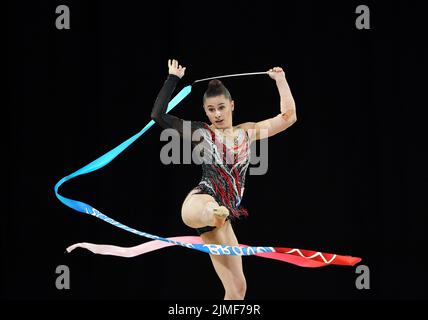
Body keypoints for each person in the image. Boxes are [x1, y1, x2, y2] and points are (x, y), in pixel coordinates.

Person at [151, 59, 297, 300]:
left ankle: (218, 215)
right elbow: (158, 115)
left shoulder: (247, 133)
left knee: (238, 290)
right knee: (210, 208)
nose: (217, 114)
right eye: (211, 109)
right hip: (201, 201)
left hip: (224, 218)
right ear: (205, 111)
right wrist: (172, 78)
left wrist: (281, 81)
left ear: (231, 105)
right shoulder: (202, 132)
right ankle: (214, 212)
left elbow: (288, 117)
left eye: (221, 107)